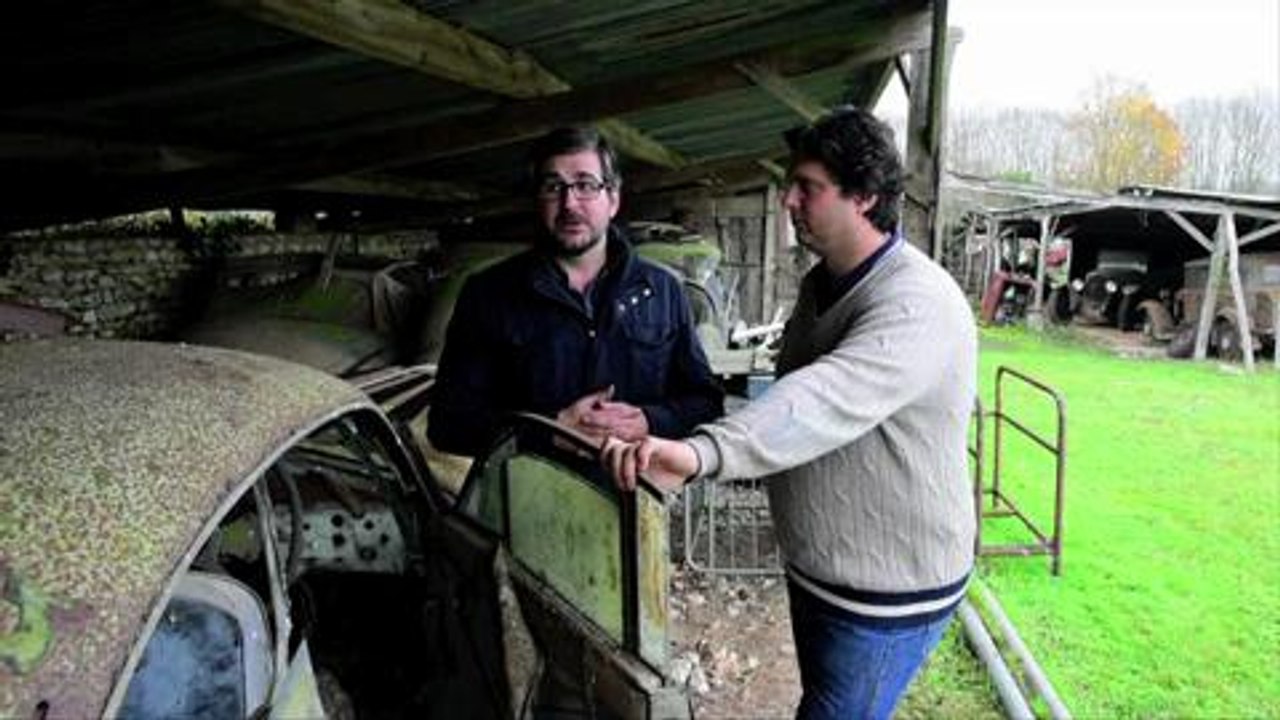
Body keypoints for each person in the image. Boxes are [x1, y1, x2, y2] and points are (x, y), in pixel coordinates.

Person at [602, 106, 977, 720]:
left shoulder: (918, 302)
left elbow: (821, 399)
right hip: (824, 570)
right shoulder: (823, 283)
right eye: (789, 185)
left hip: (886, 593)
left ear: (864, 196)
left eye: (809, 188)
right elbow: (787, 399)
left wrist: (702, 453)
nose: (788, 202)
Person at [428, 126, 724, 457]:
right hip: (522, 501)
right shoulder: (488, 294)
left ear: (613, 199)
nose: (569, 203)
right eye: (553, 187)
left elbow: (706, 402)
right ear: (537, 199)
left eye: (585, 185)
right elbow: (447, 425)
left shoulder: (662, 291)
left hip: (634, 498)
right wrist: (549, 432)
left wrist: (649, 421)